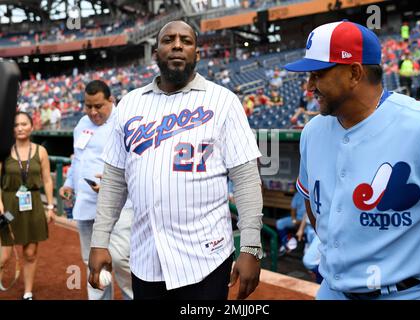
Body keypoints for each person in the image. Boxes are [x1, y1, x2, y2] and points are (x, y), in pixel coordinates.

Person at [88, 20, 263, 300]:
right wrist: (99, 241)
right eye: (168, 40)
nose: (177, 44)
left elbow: (246, 179)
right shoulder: (130, 104)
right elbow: (113, 181)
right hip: (146, 259)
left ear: (197, 53)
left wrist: (252, 246)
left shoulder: (224, 101)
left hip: (207, 259)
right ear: (156, 52)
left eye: (186, 40)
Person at [284, 20, 420, 300]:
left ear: (354, 73)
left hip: (406, 292)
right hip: (333, 290)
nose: (309, 85)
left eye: (317, 74)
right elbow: (313, 207)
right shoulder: (313, 132)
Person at [58, 80, 133, 300]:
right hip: (86, 205)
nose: (93, 112)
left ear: (111, 100)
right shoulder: (82, 124)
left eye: (98, 106)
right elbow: (77, 158)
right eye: (88, 106)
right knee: (92, 262)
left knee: (120, 260)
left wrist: (113, 184)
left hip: (119, 206)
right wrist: (69, 183)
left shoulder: (125, 122)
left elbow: (137, 165)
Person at [0, 112, 56, 300]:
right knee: (4, 256)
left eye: (24, 124)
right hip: (8, 206)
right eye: (16, 125)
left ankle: (28, 293)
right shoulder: (4, 151)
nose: (20, 128)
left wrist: (50, 206)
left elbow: (47, 180)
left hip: (32, 205)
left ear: (32, 127)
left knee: (30, 253)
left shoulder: (40, 151)